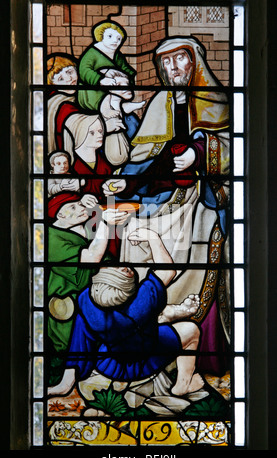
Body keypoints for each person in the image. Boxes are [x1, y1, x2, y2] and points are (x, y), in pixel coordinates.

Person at [105, 36, 230, 376]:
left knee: (202, 236)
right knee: (132, 232)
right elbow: (141, 155)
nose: (173, 69)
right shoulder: (160, 101)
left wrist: (200, 153)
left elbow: (235, 147)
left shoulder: (216, 100)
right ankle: (145, 333)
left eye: (180, 60)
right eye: (167, 63)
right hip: (161, 196)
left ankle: (190, 352)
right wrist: (123, 180)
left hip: (202, 195)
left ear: (195, 62)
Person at [48, 227, 203, 398]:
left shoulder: (87, 301)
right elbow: (167, 271)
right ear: (130, 288)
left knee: (89, 324)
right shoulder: (140, 304)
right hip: (142, 361)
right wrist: (153, 237)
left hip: (107, 362)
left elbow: (81, 337)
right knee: (191, 330)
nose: (121, 266)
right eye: (122, 270)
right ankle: (183, 384)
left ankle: (165, 314)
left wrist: (67, 381)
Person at [47, 191, 130, 382]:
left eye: (80, 204)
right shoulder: (50, 237)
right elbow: (90, 259)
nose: (81, 209)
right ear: (60, 215)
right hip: (70, 312)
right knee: (65, 356)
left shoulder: (77, 232)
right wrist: (105, 223)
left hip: (95, 302)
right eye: (73, 207)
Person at [77, 21, 143, 114]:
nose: (115, 40)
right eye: (110, 36)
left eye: (119, 38)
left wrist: (132, 77)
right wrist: (100, 79)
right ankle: (122, 108)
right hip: (92, 94)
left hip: (114, 90)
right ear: (101, 36)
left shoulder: (117, 55)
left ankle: (122, 107)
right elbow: (84, 70)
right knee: (108, 101)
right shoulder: (92, 53)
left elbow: (125, 69)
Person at [47, 54, 78, 154]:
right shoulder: (62, 106)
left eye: (70, 72)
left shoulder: (80, 97)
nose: (69, 79)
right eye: (61, 79)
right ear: (53, 85)